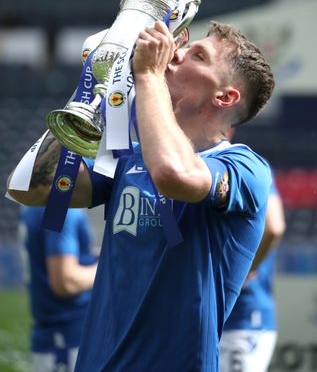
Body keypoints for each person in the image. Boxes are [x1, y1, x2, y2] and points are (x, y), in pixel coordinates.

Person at [7, 19, 275, 371]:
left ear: (225, 97)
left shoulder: (245, 167)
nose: (174, 55)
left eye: (197, 55)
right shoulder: (128, 157)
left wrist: (149, 77)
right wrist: (95, 88)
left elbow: (173, 174)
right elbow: (29, 187)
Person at [18, 206, 98, 372]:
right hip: (67, 335)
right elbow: (66, 282)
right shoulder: (60, 208)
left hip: (54, 333)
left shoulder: (34, 204)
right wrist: (107, 265)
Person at [220, 173, 286, 372]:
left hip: (242, 317)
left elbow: (274, 227)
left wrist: (245, 272)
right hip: (216, 318)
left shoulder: (246, 168)